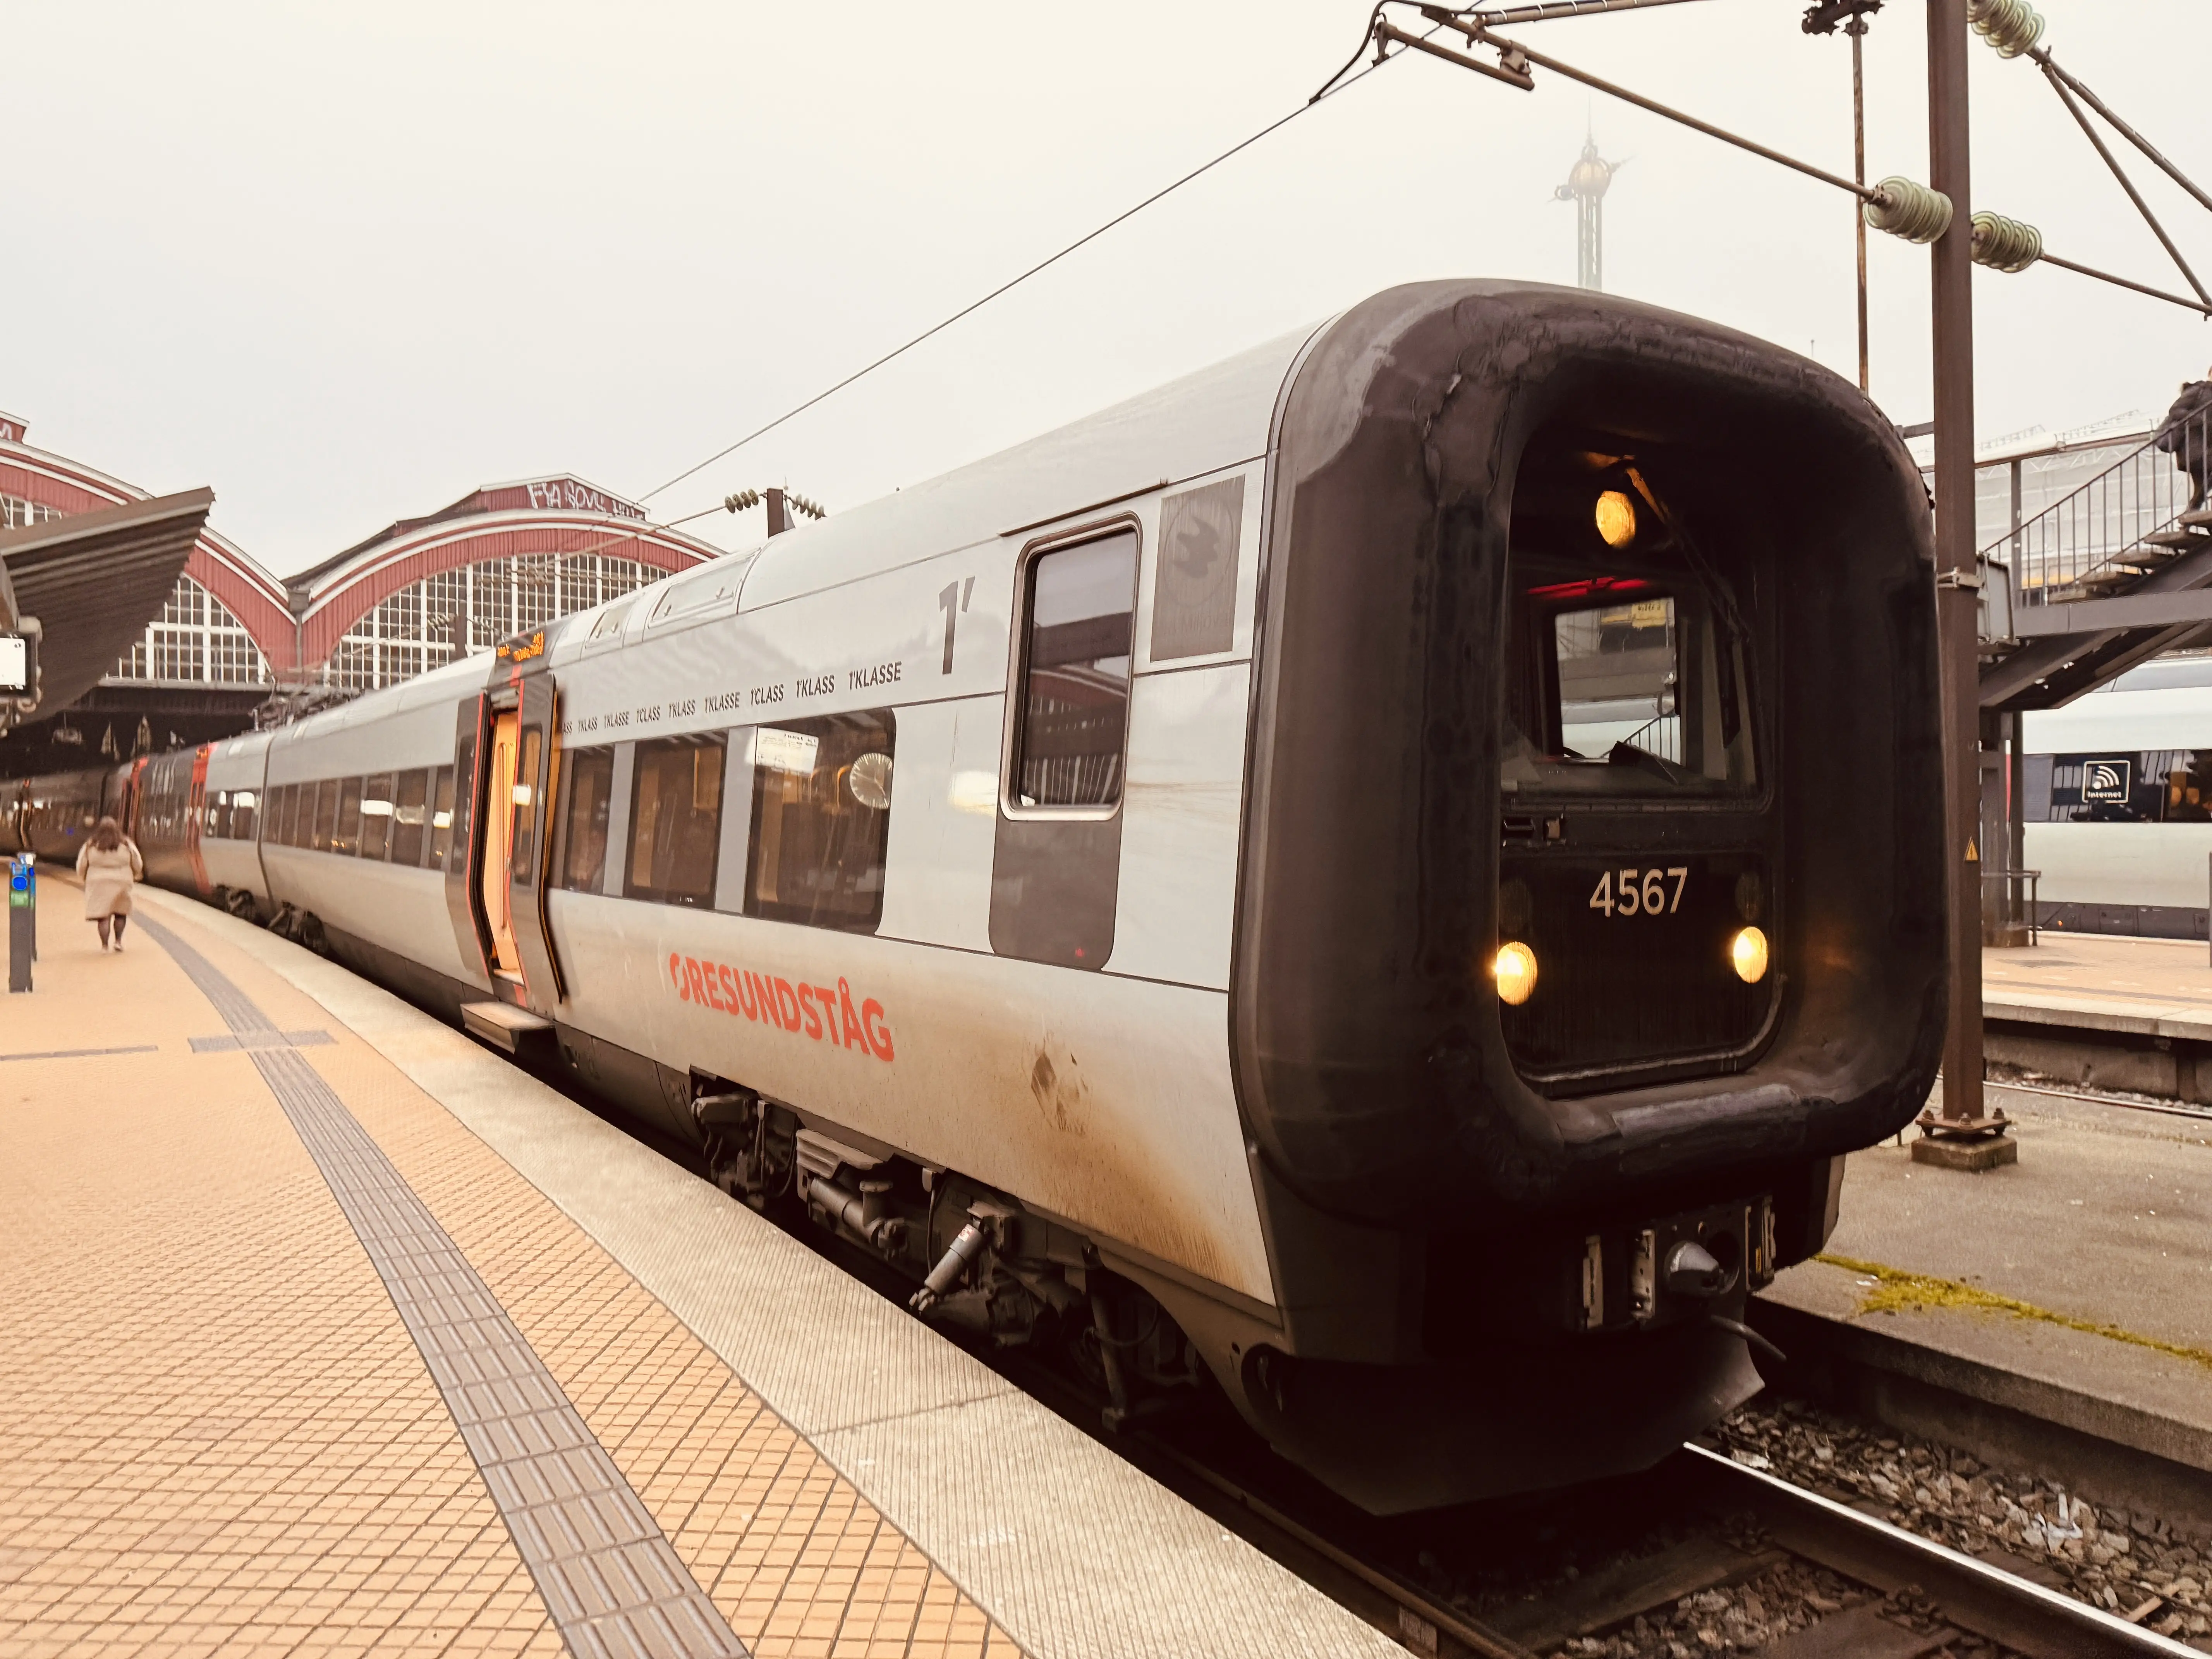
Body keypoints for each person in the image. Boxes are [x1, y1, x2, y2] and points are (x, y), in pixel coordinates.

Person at [76, 816, 143, 951]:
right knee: (120, 913)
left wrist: (84, 877)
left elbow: (82, 864)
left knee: (103, 916)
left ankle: (105, 946)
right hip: (122, 881)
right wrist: (136, 874)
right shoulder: (126, 843)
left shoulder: (91, 844)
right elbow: (137, 862)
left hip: (98, 883)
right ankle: (118, 942)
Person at [2155, 372, 2212, 509]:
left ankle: (2192, 511)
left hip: (2206, 447)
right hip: (2193, 448)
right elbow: (2175, 410)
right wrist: (2200, 419)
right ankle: (2193, 509)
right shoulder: (2199, 390)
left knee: (2201, 488)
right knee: (2201, 486)